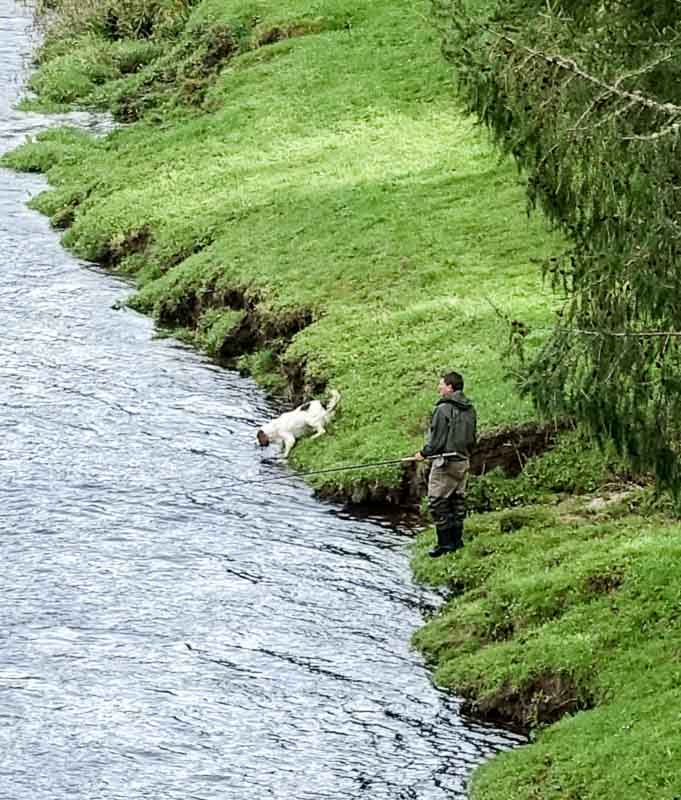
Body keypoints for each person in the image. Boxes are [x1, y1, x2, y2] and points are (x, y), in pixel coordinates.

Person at [414, 371, 477, 557]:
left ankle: (445, 545)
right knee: (457, 502)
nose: (438, 387)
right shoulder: (470, 408)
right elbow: (473, 438)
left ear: (450, 387)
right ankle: (457, 542)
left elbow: (437, 441)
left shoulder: (443, 409)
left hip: (445, 463)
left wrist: (423, 453)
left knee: (437, 503)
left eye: (441, 384)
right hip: (463, 461)